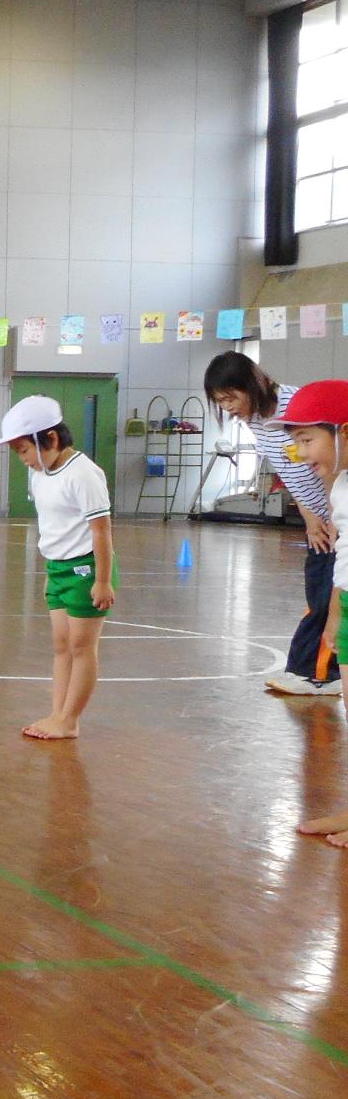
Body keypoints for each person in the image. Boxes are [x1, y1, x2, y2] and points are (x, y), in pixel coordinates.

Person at [204, 353, 340, 696]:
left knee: (330, 595)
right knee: (321, 590)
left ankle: (318, 672)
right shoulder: (256, 421)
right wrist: (310, 515)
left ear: (256, 381)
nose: (229, 408)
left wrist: (335, 513)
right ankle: (316, 669)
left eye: (231, 397)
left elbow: (327, 462)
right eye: (221, 402)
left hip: (337, 512)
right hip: (320, 516)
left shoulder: (298, 405)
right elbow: (290, 469)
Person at [0, 395, 115, 741]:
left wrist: (102, 581)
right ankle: (58, 714)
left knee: (81, 647)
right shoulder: (40, 475)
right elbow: (54, 528)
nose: (23, 460)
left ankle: (70, 720)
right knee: (61, 646)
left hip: (84, 569)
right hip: (58, 569)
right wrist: (49, 573)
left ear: (52, 439)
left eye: (24, 451)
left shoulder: (85, 474)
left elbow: (101, 531)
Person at [273, 381, 348, 843]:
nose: (300, 454)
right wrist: (336, 611)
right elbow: (345, 554)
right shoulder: (338, 488)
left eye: (307, 441)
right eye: (295, 442)